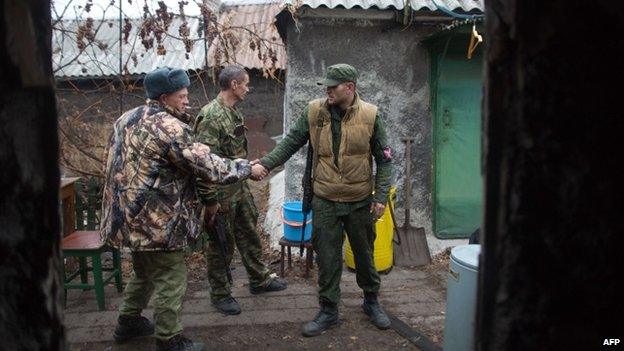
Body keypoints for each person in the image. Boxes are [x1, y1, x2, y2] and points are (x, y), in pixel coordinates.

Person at [100, 67, 252, 351]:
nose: (187, 100)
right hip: (157, 220)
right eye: (182, 96)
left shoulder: (126, 118)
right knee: (171, 276)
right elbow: (204, 166)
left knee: (144, 271)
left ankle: (128, 322)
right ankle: (169, 338)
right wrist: (244, 167)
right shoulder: (168, 126)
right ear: (165, 97)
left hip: (126, 217)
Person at [252, 64, 394, 336]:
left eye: (333, 86)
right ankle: (329, 310)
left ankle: (371, 302)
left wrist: (381, 195)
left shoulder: (371, 115)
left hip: (359, 201)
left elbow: (385, 160)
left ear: (350, 87)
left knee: (364, 255)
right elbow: (290, 142)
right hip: (325, 200)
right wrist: (266, 165)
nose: (327, 90)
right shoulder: (314, 111)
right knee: (327, 257)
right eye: (326, 86)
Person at [193, 65, 287, 316]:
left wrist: (250, 165)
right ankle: (221, 294)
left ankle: (259, 279)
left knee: (248, 231)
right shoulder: (211, 117)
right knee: (221, 244)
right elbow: (203, 165)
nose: (248, 88)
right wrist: (209, 200)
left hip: (238, 187)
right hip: (220, 193)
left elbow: (232, 154)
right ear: (234, 85)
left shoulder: (233, 113)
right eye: (245, 83)